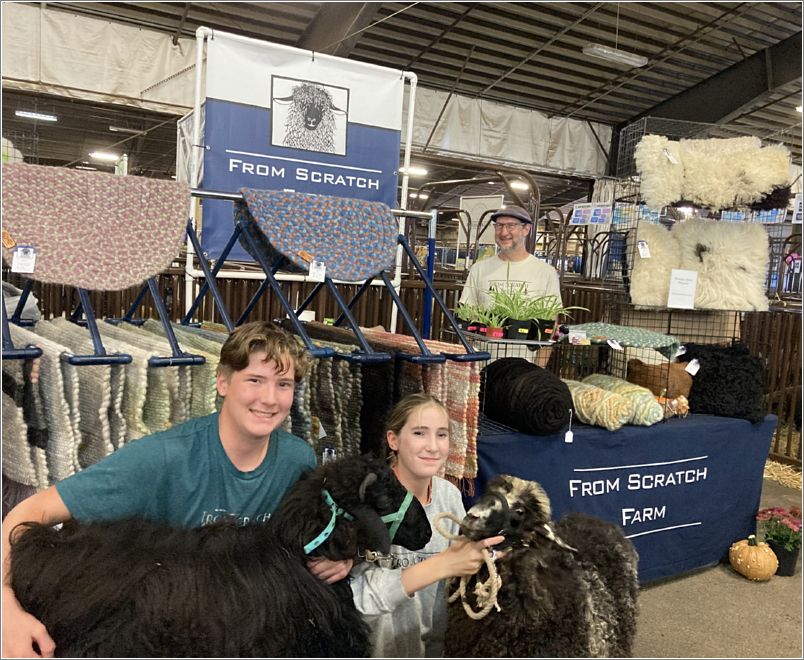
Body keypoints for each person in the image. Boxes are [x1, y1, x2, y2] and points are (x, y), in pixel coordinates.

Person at [2, 320, 350, 658]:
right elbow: (30, 513)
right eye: (255, 380)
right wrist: (5, 606)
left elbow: (305, 536)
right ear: (223, 383)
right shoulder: (161, 457)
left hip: (244, 631)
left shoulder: (297, 459)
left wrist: (342, 559)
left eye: (284, 384)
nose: (270, 399)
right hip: (160, 631)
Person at [349, 393, 504, 657]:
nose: (433, 446)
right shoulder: (367, 502)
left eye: (441, 435)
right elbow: (356, 601)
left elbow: (453, 582)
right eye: (420, 433)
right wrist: (439, 565)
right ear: (393, 440)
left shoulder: (449, 496)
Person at [459, 204, 562, 309]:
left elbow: (551, 318)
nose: (503, 232)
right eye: (499, 225)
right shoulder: (478, 269)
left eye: (511, 226)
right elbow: (467, 313)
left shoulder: (546, 272)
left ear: (526, 229)